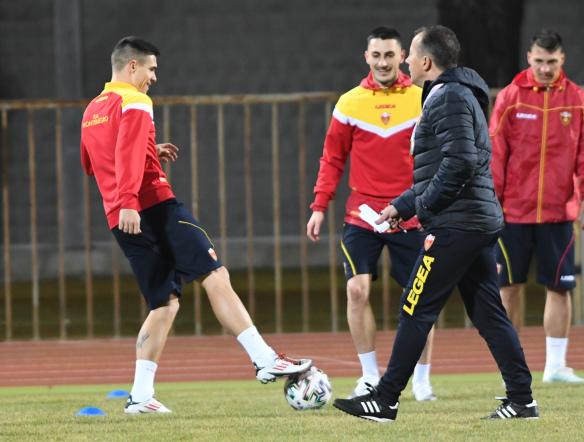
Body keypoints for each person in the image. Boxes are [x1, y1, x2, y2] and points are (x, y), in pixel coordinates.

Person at [80, 36, 311, 414]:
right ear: (133, 66)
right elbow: (124, 152)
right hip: (152, 206)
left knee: (164, 304)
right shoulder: (135, 99)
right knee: (214, 274)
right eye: (151, 68)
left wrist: (147, 155)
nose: (154, 77)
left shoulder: (92, 109)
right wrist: (130, 199)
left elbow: (93, 163)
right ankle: (265, 359)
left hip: (119, 218)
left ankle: (140, 396)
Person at [333, 25, 538, 422]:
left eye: (410, 54)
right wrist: (400, 206)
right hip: (472, 221)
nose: (406, 61)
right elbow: (446, 167)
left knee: (415, 307)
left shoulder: (447, 98)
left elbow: (459, 163)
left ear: (426, 62)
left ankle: (386, 399)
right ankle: (522, 400)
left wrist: (422, 209)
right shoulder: (455, 95)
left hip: (456, 226)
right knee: (488, 314)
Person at [306, 26, 436, 401]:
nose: (383, 62)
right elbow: (332, 159)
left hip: (411, 215)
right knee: (356, 290)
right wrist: (318, 207)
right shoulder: (349, 102)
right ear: (367, 58)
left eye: (390, 55)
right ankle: (368, 376)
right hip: (362, 215)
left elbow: (438, 156)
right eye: (376, 55)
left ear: (402, 58)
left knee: (420, 297)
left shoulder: (423, 99)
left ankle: (423, 380)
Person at [489, 30, 584, 384]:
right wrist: (490, 201)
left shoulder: (578, 100)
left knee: (560, 287)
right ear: (529, 58)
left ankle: (555, 366)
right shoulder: (510, 98)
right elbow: (495, 153)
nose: (544, 68)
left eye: (551, 62)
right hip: (513, 212)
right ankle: (512, 368)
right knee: (508, 289)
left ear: (562, 60)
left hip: (558, 211)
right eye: (539, 61)